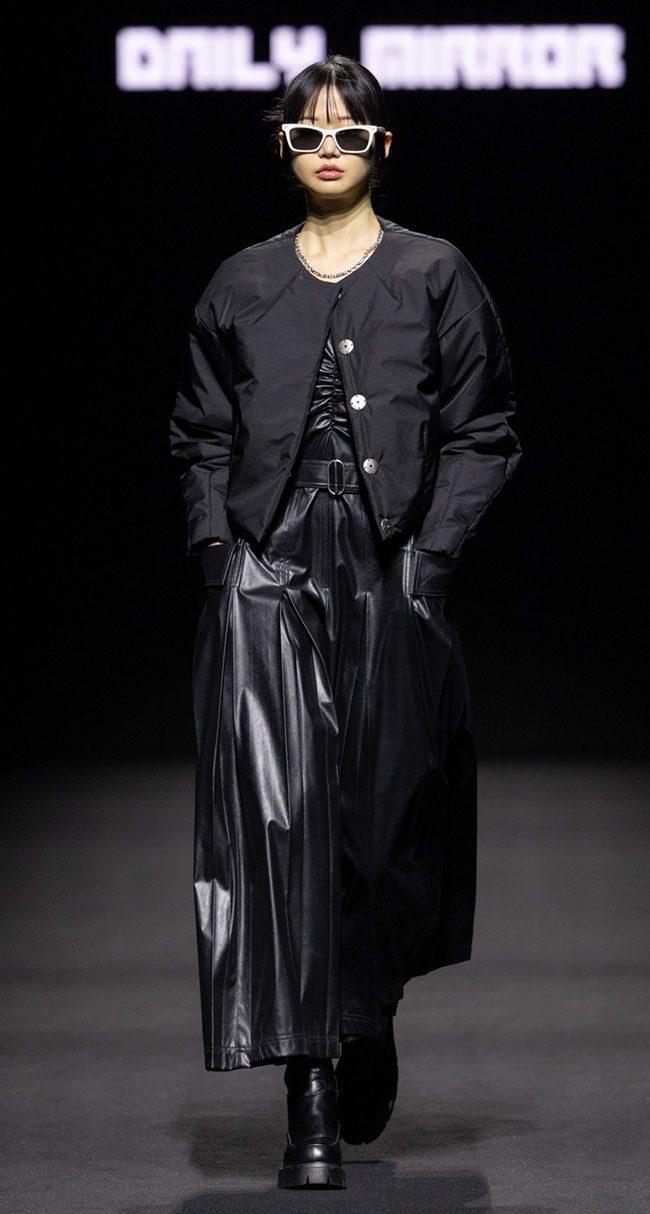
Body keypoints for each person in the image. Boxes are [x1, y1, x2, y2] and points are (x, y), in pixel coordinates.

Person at [170, 54, 521, 1191]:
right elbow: (201, 432)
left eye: (351, 133)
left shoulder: (434, 272)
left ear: (381, 148)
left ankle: (368, 1010)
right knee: (277, 834)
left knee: (388, 823)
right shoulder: (239, 281)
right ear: (284, 148)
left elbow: (483, 426)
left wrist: (430, 560)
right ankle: (308, 1095)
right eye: (309, 133)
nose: (330, 149)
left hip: (386, 570)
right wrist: (219, 555)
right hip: (265, 570)